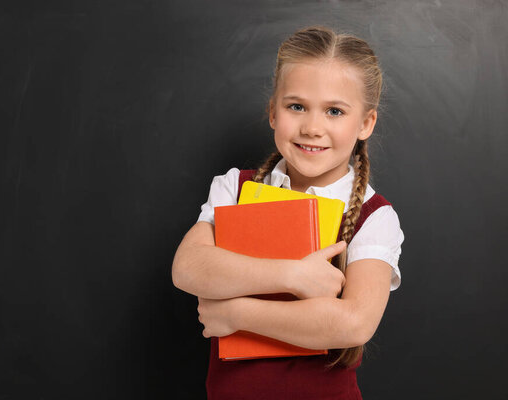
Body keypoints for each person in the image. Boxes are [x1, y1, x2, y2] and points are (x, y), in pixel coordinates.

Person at [171, 26, 404, 399]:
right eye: (296, 106)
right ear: (273, 113)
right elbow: (188, 268)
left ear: (365, 124)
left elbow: (353, 323)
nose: (312, 127)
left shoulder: (374, 217)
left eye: (334, 111)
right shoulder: (235, 186)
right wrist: (294, 276)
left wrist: (236, 315)